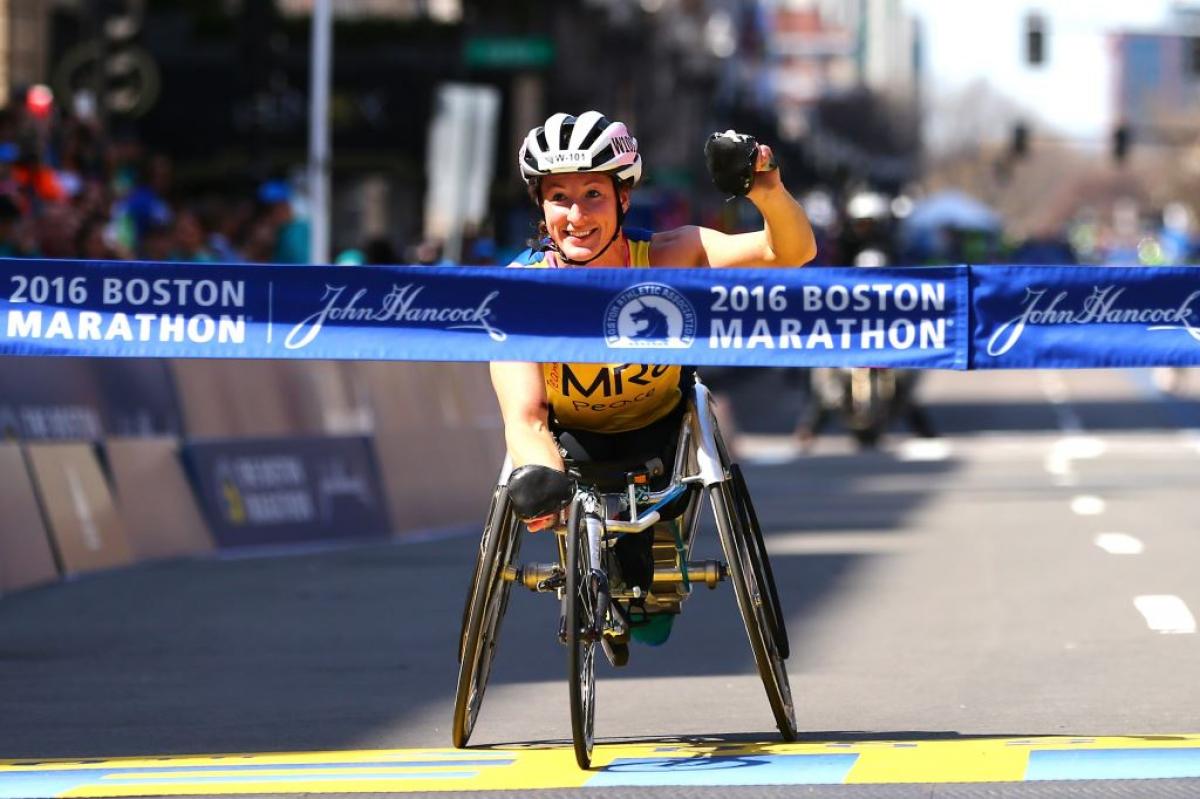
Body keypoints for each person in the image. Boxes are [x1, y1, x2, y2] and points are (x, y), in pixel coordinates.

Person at [490, 111, 816, 648]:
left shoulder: (673, 253)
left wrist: (765, 187)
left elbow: (792, 251)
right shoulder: (519, 289)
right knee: (546, 484)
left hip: (661, 433)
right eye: (559, 198)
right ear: (540, 204)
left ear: (623, 197)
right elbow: (524, 417)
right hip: (568, 439)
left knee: (650, 585)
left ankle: (649, 566)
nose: (576, 215)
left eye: (593, 194)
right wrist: (543, 482)